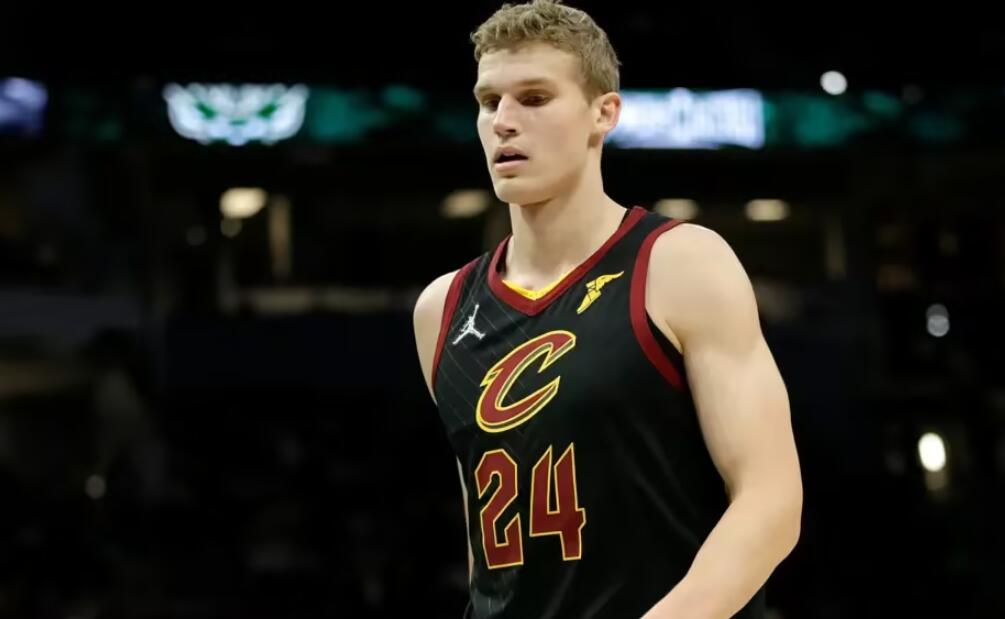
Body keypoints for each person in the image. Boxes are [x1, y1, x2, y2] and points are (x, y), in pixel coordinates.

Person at [412, 1, 802, 617]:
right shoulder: (441, 308)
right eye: (489, 102)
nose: (504, 122)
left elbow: (771, 501)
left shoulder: (679, 263)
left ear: (604, 113)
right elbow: (485, 548)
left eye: (534, 98)